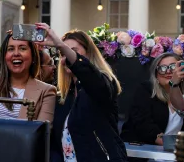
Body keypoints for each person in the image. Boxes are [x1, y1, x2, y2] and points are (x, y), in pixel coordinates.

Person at [34, 23, 127, 162]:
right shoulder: (63, 96)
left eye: (73, 51)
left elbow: (91, 78)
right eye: (62, 54)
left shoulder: (103, 82)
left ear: (88, 54)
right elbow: (56, 142)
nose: (65, 57)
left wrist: (61, 45)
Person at [0, 34, 57, 123]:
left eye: (22, 48)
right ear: (4, 56)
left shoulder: (46, 91)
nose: (16, 53)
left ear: (33, 56)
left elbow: (42, 132)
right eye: (10, 49)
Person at [121, 53, 184, 146]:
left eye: (173, 67)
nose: (168, 71)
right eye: (162, 68)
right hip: (143, 151)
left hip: (174, 152)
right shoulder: (145, 90)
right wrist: (171, 145)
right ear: (156, 75)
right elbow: (144, 125)